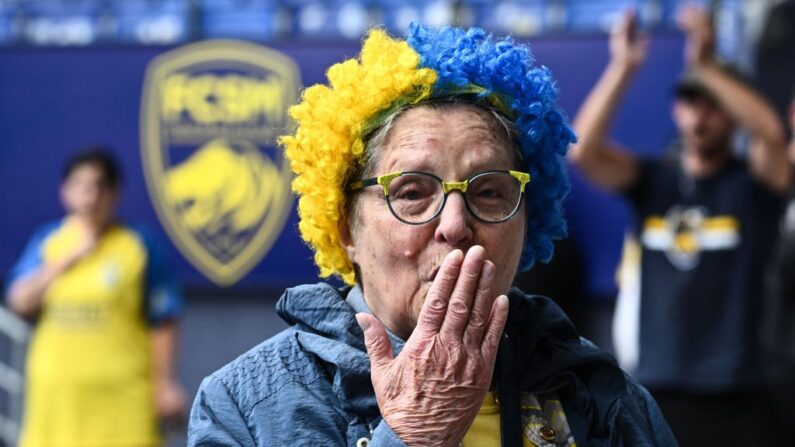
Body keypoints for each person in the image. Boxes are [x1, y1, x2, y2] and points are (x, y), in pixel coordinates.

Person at [188, 24, 675, 446]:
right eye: (413, 192)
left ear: (527, 220)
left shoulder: (602, 394)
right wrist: (413, 437)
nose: (456, 224)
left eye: (488, 191)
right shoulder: (243, 405)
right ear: (344, 229)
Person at [568, 6, 791, 446]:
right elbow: (583, 151)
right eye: (690, 102)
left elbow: (769, 132)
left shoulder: (756, 183)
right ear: (675, 110)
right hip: (659, 388)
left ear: (732, 113)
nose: (699, 116)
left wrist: (706, 66)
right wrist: (624, 66)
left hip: (740, 394)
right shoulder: (654, 181)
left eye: (713, 105)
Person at [5, 149, 187, 446]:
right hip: (58, 400)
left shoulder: (139, 244)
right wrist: (64, 262)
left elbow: (163, 319)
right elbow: (19, 301)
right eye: (80, 186)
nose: (89, 197)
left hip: (123, 399)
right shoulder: (48, 241)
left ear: (114, 193)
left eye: (99, 186)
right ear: (65, 191)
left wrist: (164, 384)